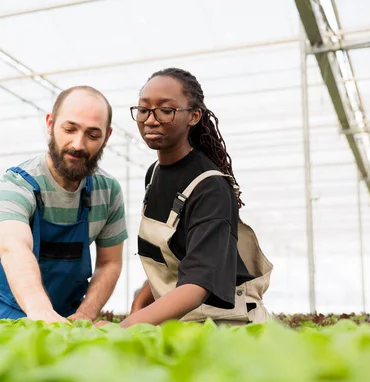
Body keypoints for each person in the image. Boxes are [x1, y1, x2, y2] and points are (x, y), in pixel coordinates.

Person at [115, 67, 273, 328]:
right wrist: (140, 302)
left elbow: (197, 285)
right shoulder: (154, 175)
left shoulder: (210, 188)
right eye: (143, 110)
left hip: (228, 328)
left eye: (166, 110)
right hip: (183, 324)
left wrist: (124, 329)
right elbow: (174, 259)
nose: (150, 120)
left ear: (194, 116)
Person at [0, 86, 128, 323]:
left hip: (67, 316)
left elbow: (110, 263)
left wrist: (85, 314)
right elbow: (13, 246)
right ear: (50, 124)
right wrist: (40, 311)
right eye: (69, 129)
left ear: (107, 137)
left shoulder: (107, 191)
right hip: (2, 316)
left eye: (93, 135)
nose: (78, 144)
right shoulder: (18, 183)